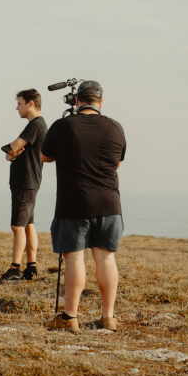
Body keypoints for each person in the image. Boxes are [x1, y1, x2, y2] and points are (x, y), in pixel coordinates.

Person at [39, 81, 126, 333]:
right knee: (106, 257)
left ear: (76, 100)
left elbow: (45, 157)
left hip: (73, 202)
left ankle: (69, 317)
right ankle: (108, 317)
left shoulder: (63, 125)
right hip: (109, 203)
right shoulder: (115, 127)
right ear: (100, 102)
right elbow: (117, 164)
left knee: (75, 258)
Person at [0, 89, 47, 285]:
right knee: (28, 225)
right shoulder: (36, 125)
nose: (17, 107)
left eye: (20, 103)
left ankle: (14, 270)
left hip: (26, 181)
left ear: (30, 103)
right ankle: (31, 267)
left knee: (17, 226)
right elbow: (10, 153)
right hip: (29, 180)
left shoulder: (35, 125)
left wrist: (12, 150)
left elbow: (11, 148)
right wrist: (12, 152)